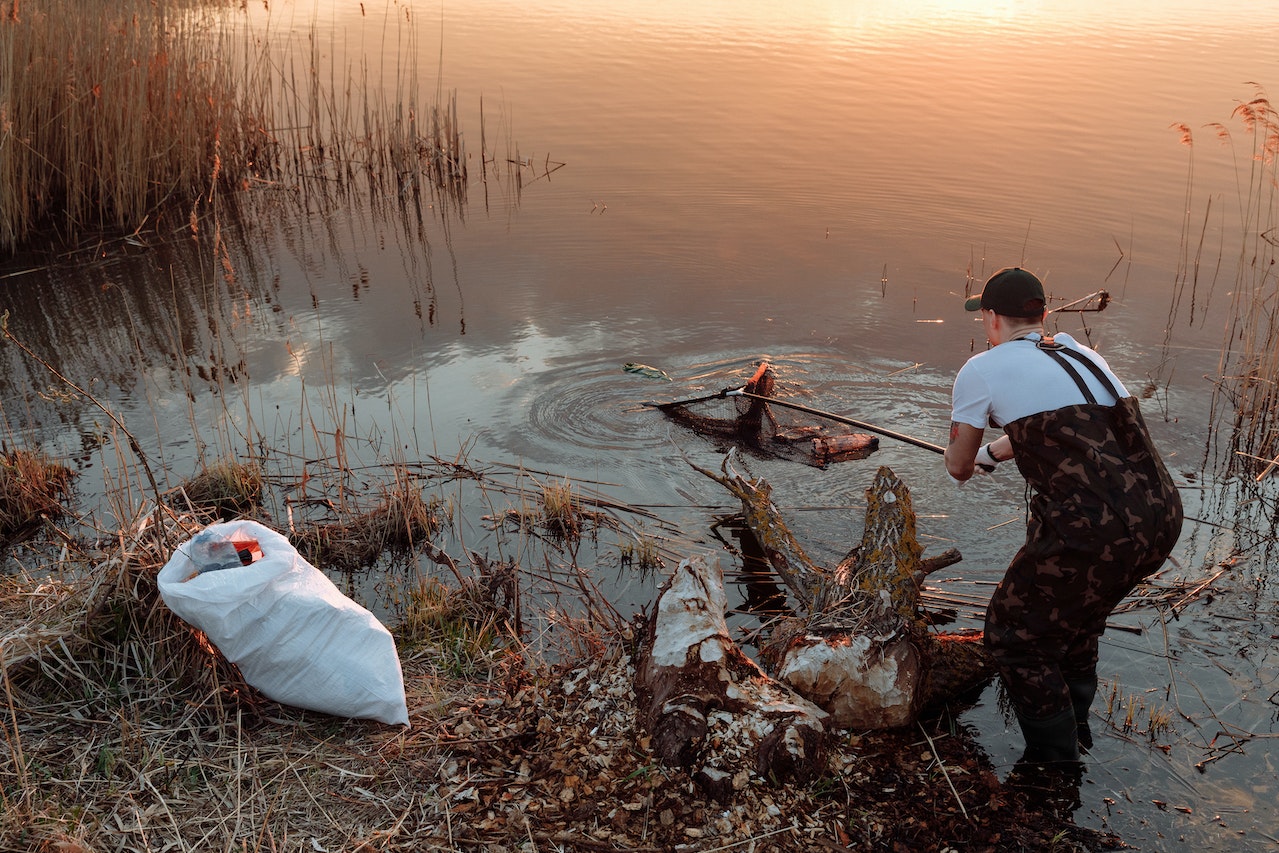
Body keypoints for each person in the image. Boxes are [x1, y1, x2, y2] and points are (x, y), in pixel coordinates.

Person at [945, 267, 1183, 769]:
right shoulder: (1081, 353)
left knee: (1015, 637)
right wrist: (997, 451)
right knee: (1077, 624)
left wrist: (974, 453)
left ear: (990, 317)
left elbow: (957, 467)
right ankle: (1077, 734)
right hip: (1159, 515)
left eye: (984, 314)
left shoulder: (981, 369)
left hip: (1090, 530)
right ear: (1042, 315)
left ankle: (1053, 768)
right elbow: (1071, 429)